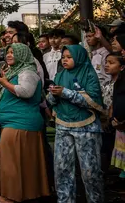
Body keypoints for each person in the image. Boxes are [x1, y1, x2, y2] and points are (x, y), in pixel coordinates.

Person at [0, 43, 50, 203]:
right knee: (22, 162)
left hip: (21, 123)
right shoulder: (14, 72)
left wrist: (5, 83)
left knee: (12, 162)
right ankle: (24, 195)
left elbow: (26, 92)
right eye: (7, 52)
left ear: (22, 54)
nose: (8, 55)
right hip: (16, 123)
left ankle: (11, 197)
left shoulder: (28, 71)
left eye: (13, 53)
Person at [47, 45, 104, 203]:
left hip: (87, 127)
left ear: (78, 57)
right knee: (62, 169)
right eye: (63, 57)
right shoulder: (59, 75)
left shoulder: (89, 74)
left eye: (69, 57)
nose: (65, 60)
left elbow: (93, 101)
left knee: (90, 172)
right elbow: (50, 101)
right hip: (63, 126)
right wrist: (53, 95)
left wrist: (65, 92)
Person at [103, 54, 124, 172]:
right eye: (106, 62)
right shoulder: (106, 84)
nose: (106, 65)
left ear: (121, 67)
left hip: (118, 122)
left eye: (111, 63)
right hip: (107, 122)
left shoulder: (121, 85)